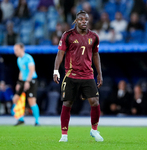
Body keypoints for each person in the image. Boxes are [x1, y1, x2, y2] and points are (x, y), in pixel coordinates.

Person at [53, 10, 103, 142]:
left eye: (86, 19)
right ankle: (64, 134)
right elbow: (60, 53)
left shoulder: (94, 36)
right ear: (76, 21)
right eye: (81, 19)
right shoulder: (67, 35)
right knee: (67, 103)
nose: (84, 21)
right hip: (71, 75)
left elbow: (96, 55)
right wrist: (56, 70)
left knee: (95, 102)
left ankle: (94, 130)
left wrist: (99, 73)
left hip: (88, 75)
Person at [11, 43, 40, 126]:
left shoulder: (28, 58)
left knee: (31, 101)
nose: (15, 52)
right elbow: (21, 71)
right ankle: (21, 119)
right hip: (23, 81)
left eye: (16, 50)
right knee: (15, 99)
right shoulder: (19, 59)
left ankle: (37, 121)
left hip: (32, 80)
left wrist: (27, 82)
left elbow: (32, 70)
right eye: (14, 50)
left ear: (22, 49)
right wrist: (19, 83)